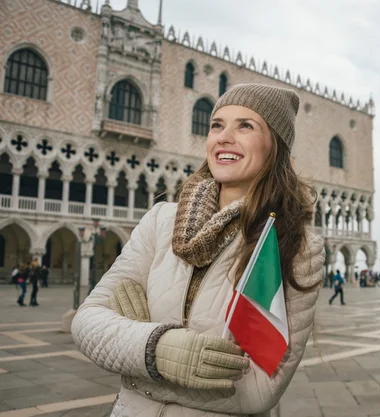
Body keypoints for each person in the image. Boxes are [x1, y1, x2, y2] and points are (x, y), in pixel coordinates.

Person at [71, 84, 326, 417]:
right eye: (217, 125)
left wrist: (136, 362)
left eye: (245, 126)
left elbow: (257, 392)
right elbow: (87, 321)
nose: (223, 137)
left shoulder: (292, 245)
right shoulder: (161, 221)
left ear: (274, 146)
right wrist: (158, 349)